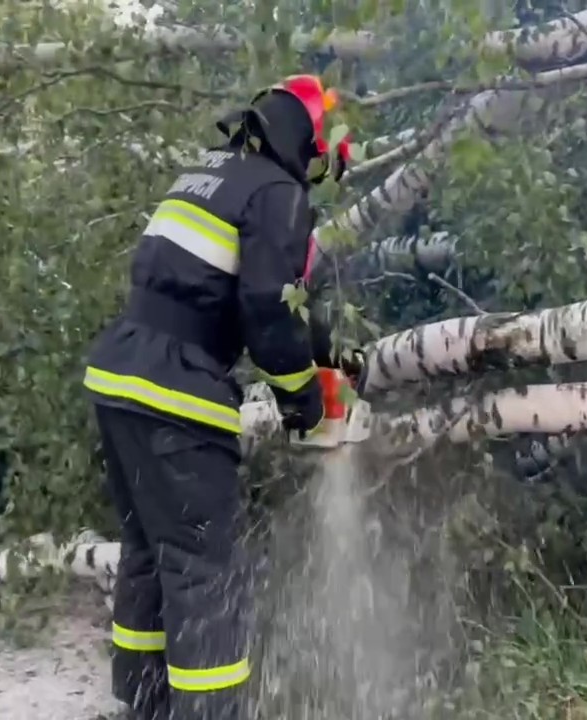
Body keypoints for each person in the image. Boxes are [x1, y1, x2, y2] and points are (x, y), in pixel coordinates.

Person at [82, 74, 362, 720]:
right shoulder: (278, 194)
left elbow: (251, 293)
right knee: (206, 574)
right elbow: (267, 310)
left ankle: (143, 706)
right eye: (322, 164)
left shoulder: (215, 173)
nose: (318, 178)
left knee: (151, 556)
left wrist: (328, 350)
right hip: (176, 393)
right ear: (308, 144)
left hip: (121, 378)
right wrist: (304, 403)